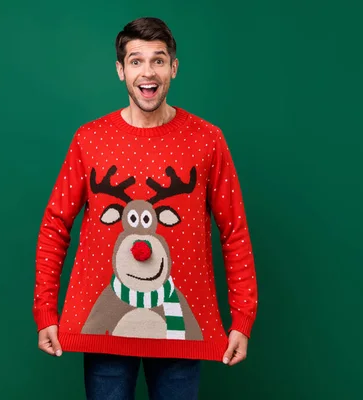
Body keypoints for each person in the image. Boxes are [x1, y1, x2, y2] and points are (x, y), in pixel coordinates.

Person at [33, 17, 259, 400]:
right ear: (120, 70)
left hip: (180, 333)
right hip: (103, 329)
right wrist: (45, 312)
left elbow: (234, 231)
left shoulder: (208, 140)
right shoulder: (89, 140)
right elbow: (55, 224)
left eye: (158, 60)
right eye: (136, 61)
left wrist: (243, 319)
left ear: (174, 67)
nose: (147, 72)